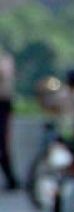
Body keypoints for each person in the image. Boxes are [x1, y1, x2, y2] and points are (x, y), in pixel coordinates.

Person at [0, 46, 17, 190]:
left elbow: (4, 74)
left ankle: (11, 179)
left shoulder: (5, 60)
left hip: (2, 105)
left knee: (2, 144)